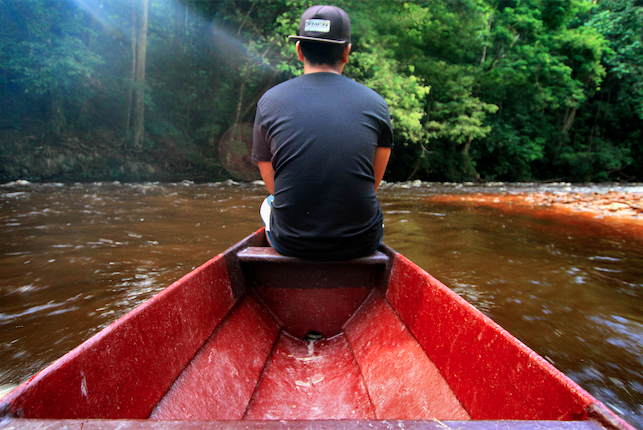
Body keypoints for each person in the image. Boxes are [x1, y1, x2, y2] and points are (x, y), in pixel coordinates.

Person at [252, 5, 393, 261]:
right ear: (347, 52)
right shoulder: (376, 103)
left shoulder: (269, 101)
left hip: (292, 243)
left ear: (299, 51)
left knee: (268, 204)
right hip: (361, 242)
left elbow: (272, 183)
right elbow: (372, 183)